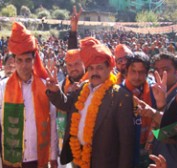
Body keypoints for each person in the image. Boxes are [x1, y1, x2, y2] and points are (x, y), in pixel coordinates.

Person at [0, 22, 58, 168]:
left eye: (28, 60)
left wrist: (53, 157)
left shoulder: (45, 86)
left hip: (39, 159)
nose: (24, 65)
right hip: (11, 161)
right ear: (14, 62)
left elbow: (52, 121)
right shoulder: (2, 87)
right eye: (19, 60)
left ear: (34, 61)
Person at [46, 37, 135, 168]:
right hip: (78, 159)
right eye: (91, 68)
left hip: (105, 162)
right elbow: (66, 104)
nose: (94, 72)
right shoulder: (82, 88)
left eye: (99, 68)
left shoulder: (121, 96)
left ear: (109, 68)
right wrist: (55, 91)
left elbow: (126, 144)